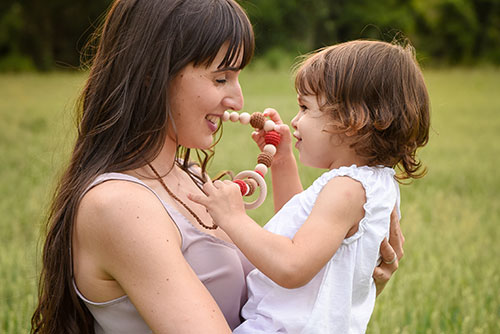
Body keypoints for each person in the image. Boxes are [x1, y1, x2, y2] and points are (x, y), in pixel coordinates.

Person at [30, 0, 404, 332]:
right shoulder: (119, 205)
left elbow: (284, 262)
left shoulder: (189, 177)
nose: (237, 98)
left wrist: (356, 278)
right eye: (221, 77)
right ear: (152, 75)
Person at [190, 39, 429, 334]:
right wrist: (282, 161)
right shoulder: (371, 184)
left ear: (352, 120)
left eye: (305, 107)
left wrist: (233, 218)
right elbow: (300, 229)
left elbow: (292, 266)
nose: (295, 120)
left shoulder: (347, 189)